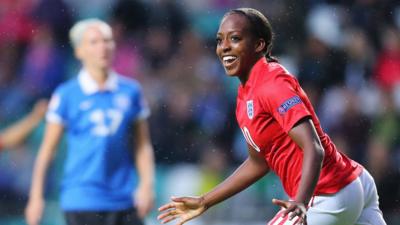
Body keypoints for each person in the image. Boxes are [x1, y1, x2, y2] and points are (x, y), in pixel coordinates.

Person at [157, 8, 386, 225]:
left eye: (235, 38)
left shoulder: (272, 83)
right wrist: (205, 201)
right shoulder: (245, 95)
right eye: (220, 40)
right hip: (352, 180)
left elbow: (313, 147)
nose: (224, 47)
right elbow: (259, 162)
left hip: (329, 192)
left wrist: (301, 202)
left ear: (259, 44)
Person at [25, 19, 155, 225]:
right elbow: (48, 151)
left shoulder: (131, 91)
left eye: (107, 40)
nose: (102, 47)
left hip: (124, 199)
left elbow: (142, 145)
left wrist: (147, 185)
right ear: (79, 51)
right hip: (82, 201)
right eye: (94, 42)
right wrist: (36, 197)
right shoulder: (67, 95)